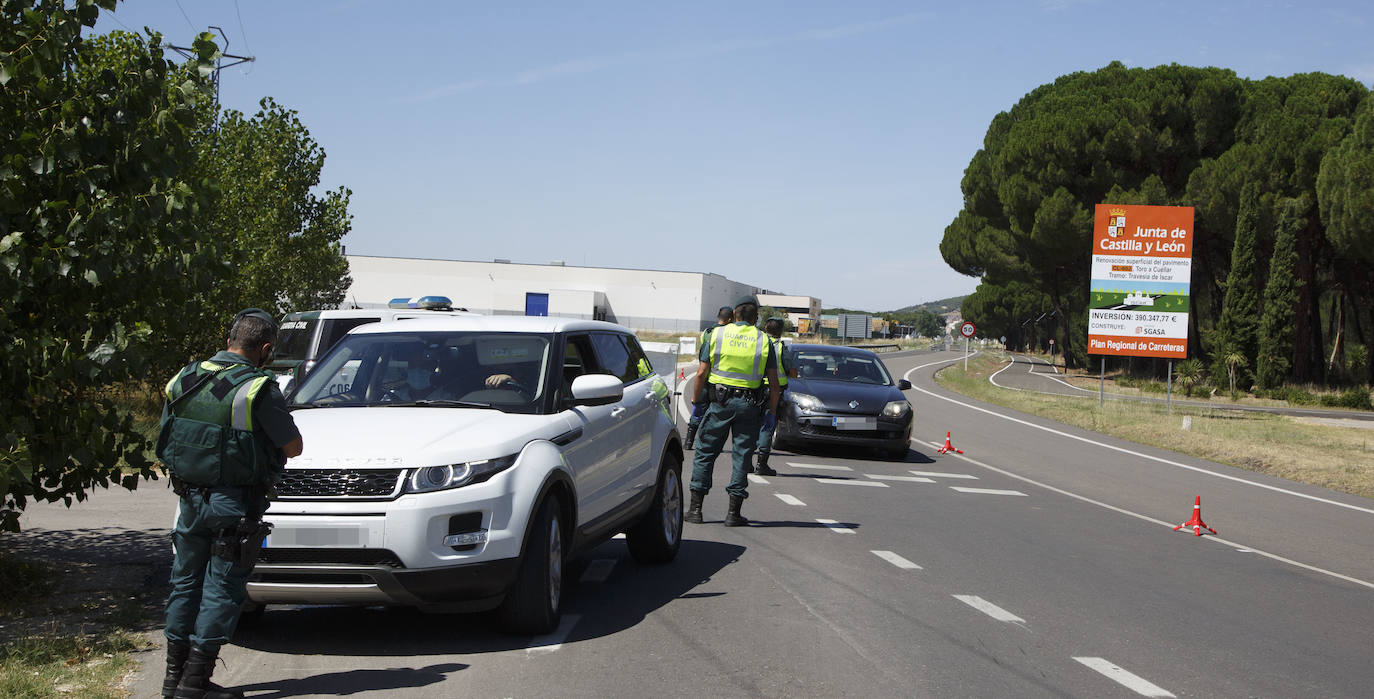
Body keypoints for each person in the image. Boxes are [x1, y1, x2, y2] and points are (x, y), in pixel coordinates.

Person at [156, 309, 303, 699]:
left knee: (185, 582)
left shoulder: (187, 376)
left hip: (188, 497)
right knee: (222, 587)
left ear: (229, 340)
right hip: (233, 504)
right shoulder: (258, 388)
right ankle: (195, 685)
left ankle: (172, 680)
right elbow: (293, 446)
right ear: (266, 349)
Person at [685, 297, 780, 527]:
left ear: (734, 315)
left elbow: (700, 373)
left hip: (719, 403)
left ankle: (696, 510)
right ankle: (733, 514)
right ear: (755, 319)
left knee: (705, 453)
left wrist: (697, 401)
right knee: (742, 456)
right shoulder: (763, 340)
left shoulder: (716, 335)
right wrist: (771, 412)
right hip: (749, 406)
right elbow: (774, 384)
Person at [684, 305, 735, 450]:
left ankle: (689, 441)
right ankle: (709, 443)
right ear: (730, 319)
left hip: (704, 377)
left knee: (698, 409)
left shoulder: (707, 332)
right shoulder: (725, 335)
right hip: (718, 380)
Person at [753, 318, 797, 476]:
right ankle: (761, 464)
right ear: (781, 332)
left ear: (765, 328)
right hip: (773, 392)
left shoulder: (757, 343)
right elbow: (793, 372)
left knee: (750, 426)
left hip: (752, 389)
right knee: (767, 426)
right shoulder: (780, 348)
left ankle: (745, 463)